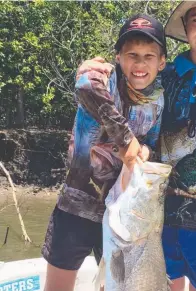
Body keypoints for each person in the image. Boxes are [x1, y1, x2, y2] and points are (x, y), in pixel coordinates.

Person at [77, 1, 196, 290]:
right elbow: (127, 78)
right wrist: (95, 68)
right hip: (159, 213)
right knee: (165, 282)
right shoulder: (164, 74)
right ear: (186, 25)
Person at [42, 13, 166, 291]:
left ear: (161, 63)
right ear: (118, 57)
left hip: (120, 217)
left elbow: (153, 146)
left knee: (114, 284)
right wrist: (127, 143)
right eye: (131, 54)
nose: (140, 63)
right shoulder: (106, 79)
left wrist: (143, 149)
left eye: (149, 56)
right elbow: (86, 83)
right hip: (75, 206)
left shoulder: (159, 100)